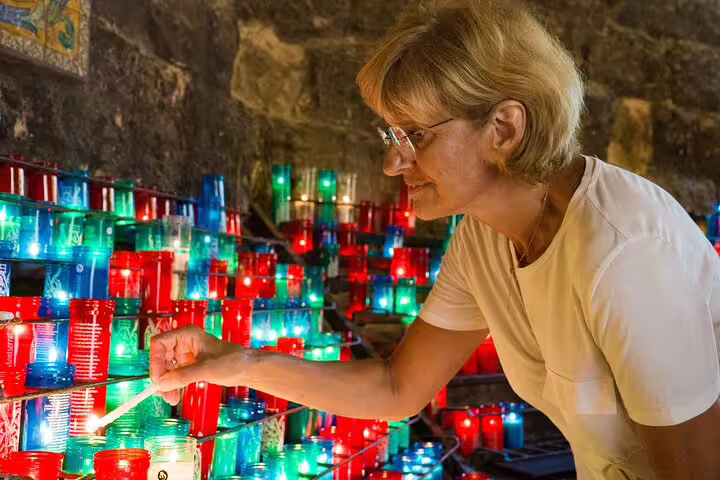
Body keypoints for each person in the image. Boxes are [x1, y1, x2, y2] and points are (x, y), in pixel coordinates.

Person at [150, 0, 720, 478]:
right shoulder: (484, 237)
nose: (393, 161)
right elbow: (398, 388)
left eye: (414, 135)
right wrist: (239, 362)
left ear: (504, 128)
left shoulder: (624, 253)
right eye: (392, 133)